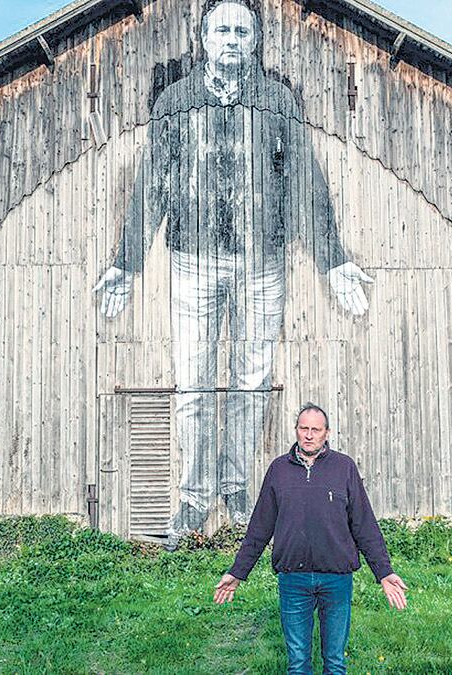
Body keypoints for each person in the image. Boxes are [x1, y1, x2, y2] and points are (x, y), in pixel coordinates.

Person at [93, 0, 374, 548]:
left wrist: (334, 258)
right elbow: (151, 184)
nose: (230, 38)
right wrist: (126, 263)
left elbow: (305, 184)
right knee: (195, 384)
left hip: (263, 262)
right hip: (192, 261)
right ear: (203, 37)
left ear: (254, 41)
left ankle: (239, 489)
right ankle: (195, 498)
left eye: (241, 31)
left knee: (249, 384)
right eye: (220, 28)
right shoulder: (176, 103)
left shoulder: (277, 102)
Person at [214, 404, 407, 674]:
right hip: (294, 579)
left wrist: (384, 572)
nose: (308, 435)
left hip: (336, 579)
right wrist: (238, 572)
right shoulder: (279, 470)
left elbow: (364, 525)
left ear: (326, 433)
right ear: (296, 430)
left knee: (335, 663)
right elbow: (259, 527)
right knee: (298, 663)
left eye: (315, 430)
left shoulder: (344, 468)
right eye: (303, 428)